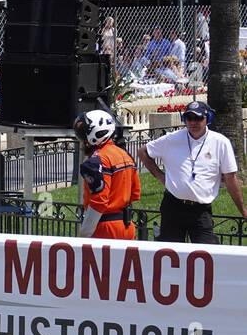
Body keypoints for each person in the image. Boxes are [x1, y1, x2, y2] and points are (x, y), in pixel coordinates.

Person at [139, 100, 247, 243]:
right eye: (189, 118)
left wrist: (243, 210)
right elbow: (143, 152)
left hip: (200, 211)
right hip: (173, 207)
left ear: (207, 119)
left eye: (198, 118)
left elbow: (230, 178)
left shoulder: (220, 142)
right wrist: (160, 176)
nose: (193, 122)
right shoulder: (172, 139)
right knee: (170, 256)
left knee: (207, 254)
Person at [74, 109, 140, 240]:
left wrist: (84, 233)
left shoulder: (96, 161)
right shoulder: (125, 155)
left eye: (83, 136)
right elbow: (135, 193)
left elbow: (99, 202)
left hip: (103, 228)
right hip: (127, 226)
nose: (82, 141)